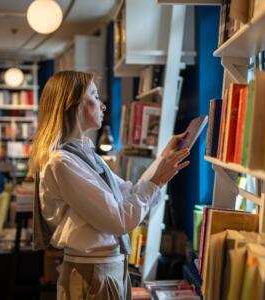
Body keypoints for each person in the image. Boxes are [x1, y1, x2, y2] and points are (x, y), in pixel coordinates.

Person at [29, 71, 190, 300]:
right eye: (94, 96)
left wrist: (164, 158)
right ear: (72, 105)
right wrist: (157, 181)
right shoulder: (62, 162)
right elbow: (119, 221)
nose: (103, 106)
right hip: (93, 272)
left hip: (106, 267)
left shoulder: (84, 155)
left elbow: (129, 193)